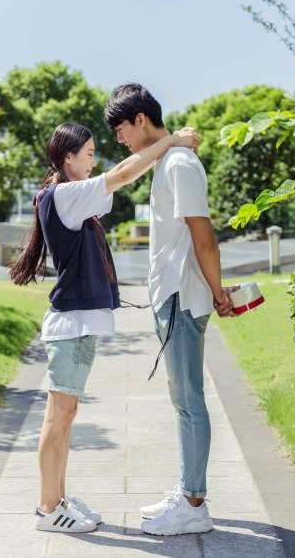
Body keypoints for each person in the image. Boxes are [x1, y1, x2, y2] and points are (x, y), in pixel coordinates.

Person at [10, 121, 199, 534]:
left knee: (65, 416)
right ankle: (47, 508)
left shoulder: (71, 196)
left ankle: (58, 500)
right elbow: (123, 173)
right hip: (71, 326)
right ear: (68, 158)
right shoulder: (65, 195)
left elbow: (125, 175)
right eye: (90, 154)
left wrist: (164, 149)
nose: (95, 162)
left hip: (75, 325)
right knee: (58, 419)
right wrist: (172, 141)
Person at [105, 84, 239, 536]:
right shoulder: (167, 159)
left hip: (183, 296)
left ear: (141, 119)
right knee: (182, 400)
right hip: (172, 296)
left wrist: (219, 293)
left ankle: (193, 503)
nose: (120, 139)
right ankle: (187, 490)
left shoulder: (179, 163)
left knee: (189, 400)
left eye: (121, 129)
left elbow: (204, 237)